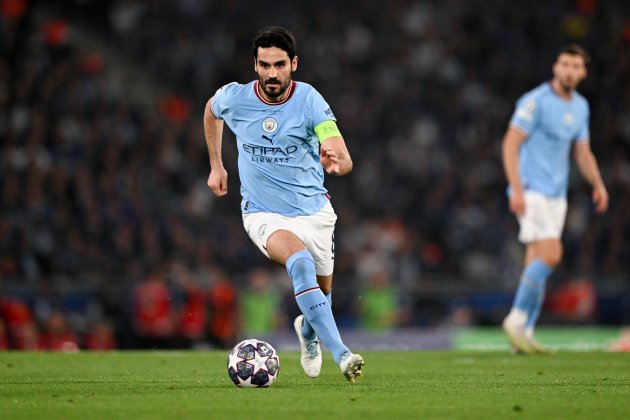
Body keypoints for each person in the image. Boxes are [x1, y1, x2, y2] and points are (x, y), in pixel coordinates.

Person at [203, 26, 364, 383]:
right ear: (255, 65)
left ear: (293, 63)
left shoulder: (309, 101)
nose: (271, 73)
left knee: (322, 296)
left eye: (279, 65)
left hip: (314, 212)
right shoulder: (236, 98)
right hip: (263, 213)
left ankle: (307, 331)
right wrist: (217, 164)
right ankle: (343, 354)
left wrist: (336, 160)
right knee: (300, 264)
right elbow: (211, 112)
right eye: (264, 65)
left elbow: (343, 155)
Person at [501, 44, 609, 354]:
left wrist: (598, 183)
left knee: (536, 261)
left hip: (556, 196)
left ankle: (525, 336)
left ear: (583, 72)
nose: (570, 70)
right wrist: (517, 188)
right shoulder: (534, 102)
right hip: (531, 188)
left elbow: (582, 151)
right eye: (565, 64)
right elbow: (510, 144)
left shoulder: (581, 107)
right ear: (555, 67)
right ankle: (516, 319)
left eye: (576, 66)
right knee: (552, 254)